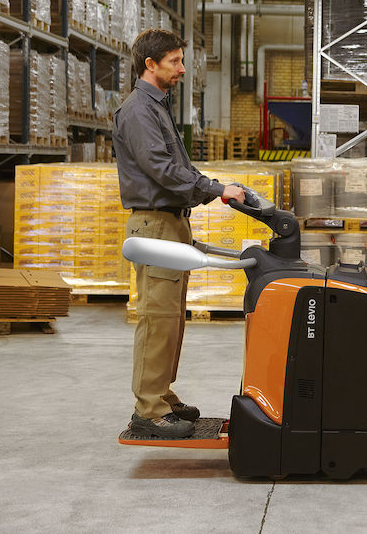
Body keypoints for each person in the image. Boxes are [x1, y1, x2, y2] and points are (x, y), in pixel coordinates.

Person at [113, 29, 245, 439]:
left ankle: (162, 395)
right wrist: (216, 190)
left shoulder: (157, 106)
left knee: (171, 319)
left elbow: (181, 168)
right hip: (155, 224)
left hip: (171, 223)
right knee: (157, 319)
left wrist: (213, 186)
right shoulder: (138, 110)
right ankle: (148, 410)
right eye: (175, 61)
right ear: (150, 64)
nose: (182, 69)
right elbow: (163, 170)